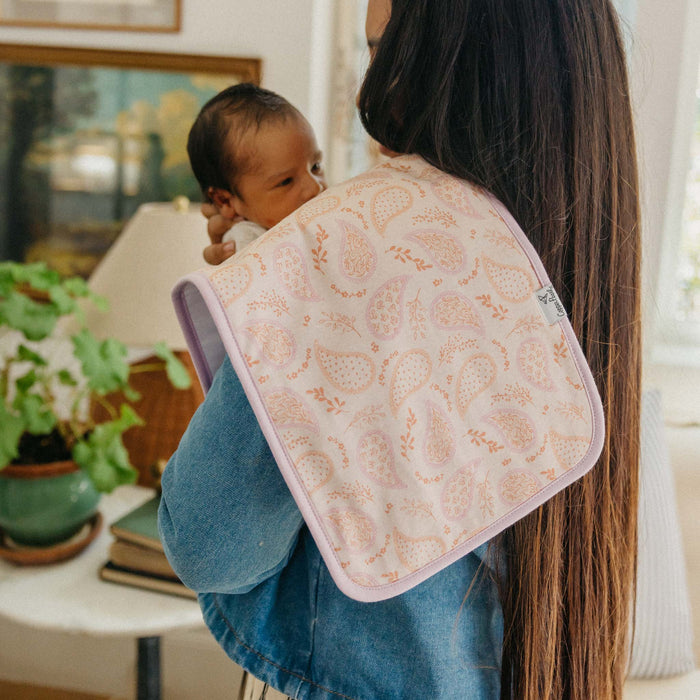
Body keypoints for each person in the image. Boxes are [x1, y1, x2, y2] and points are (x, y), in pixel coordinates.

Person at [160, 1, 641, 698]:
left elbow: (211, 543)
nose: (369, 91)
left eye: (387, 50)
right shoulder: (585, 253)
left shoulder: (341, 244)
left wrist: (270, 294)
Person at [187, 82, 327, 256]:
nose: (316, 187)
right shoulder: (247, 243)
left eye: (315, 167)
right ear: (225, 201)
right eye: (286, 181)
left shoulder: (323, 219)